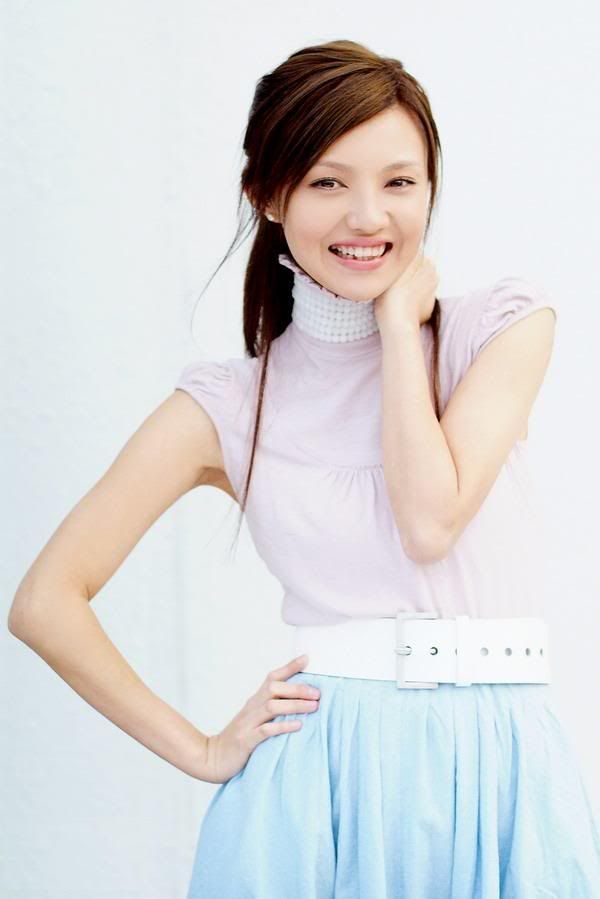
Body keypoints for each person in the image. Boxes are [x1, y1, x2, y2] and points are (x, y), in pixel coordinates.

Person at [8, 39, 600, 898]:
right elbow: (44, 602)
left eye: (399, 182)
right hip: (317, 789)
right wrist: (203, 749)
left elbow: (430, 517)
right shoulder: (228, 406)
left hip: (504, 775)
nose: (368, 216)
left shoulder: (501, 331)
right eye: (328, 182)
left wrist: (399, 329)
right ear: (269, 192)